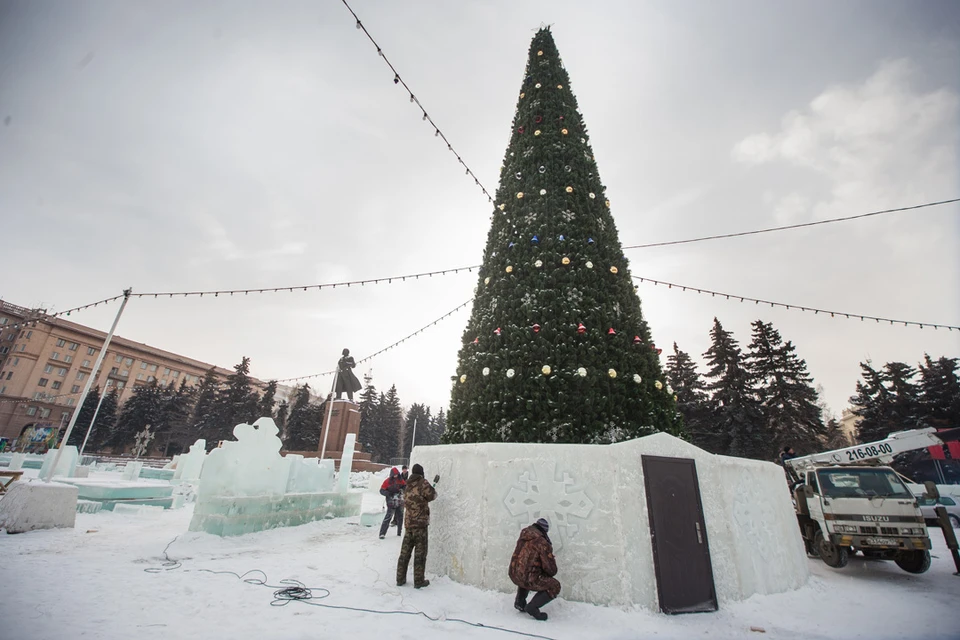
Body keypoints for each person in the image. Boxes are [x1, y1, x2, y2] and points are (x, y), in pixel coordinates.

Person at [509, 518, 560, 621]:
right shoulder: (542, 542)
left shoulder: (524, 535)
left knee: (526, 569)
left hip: (514, 574)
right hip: (527, 578)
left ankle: (520, 602)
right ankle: (533, 607)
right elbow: (551, 570)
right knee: (555, 586)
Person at [396, 463, 437, 588]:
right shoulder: (423, 483)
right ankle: (419, 581)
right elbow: (432, 495)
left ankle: (400, 579)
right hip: (420, 525)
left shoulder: (407, 484)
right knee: (420, 554)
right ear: (421, 473)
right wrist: (432, 487)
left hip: (409, 525)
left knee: (404, 553)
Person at [379, 467, 405, 539]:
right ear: (392, 474)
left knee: (400, 517)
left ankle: (399, 532)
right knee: (388, 517)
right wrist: (388, 493)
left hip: (400, 501)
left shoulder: (401, 480)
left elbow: (405, 486)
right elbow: (381, 490)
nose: (396, 476)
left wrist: (402, 490)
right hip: (391, 502)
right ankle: (382, 533)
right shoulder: (387, 481)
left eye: (397, 474)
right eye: (394, 474)